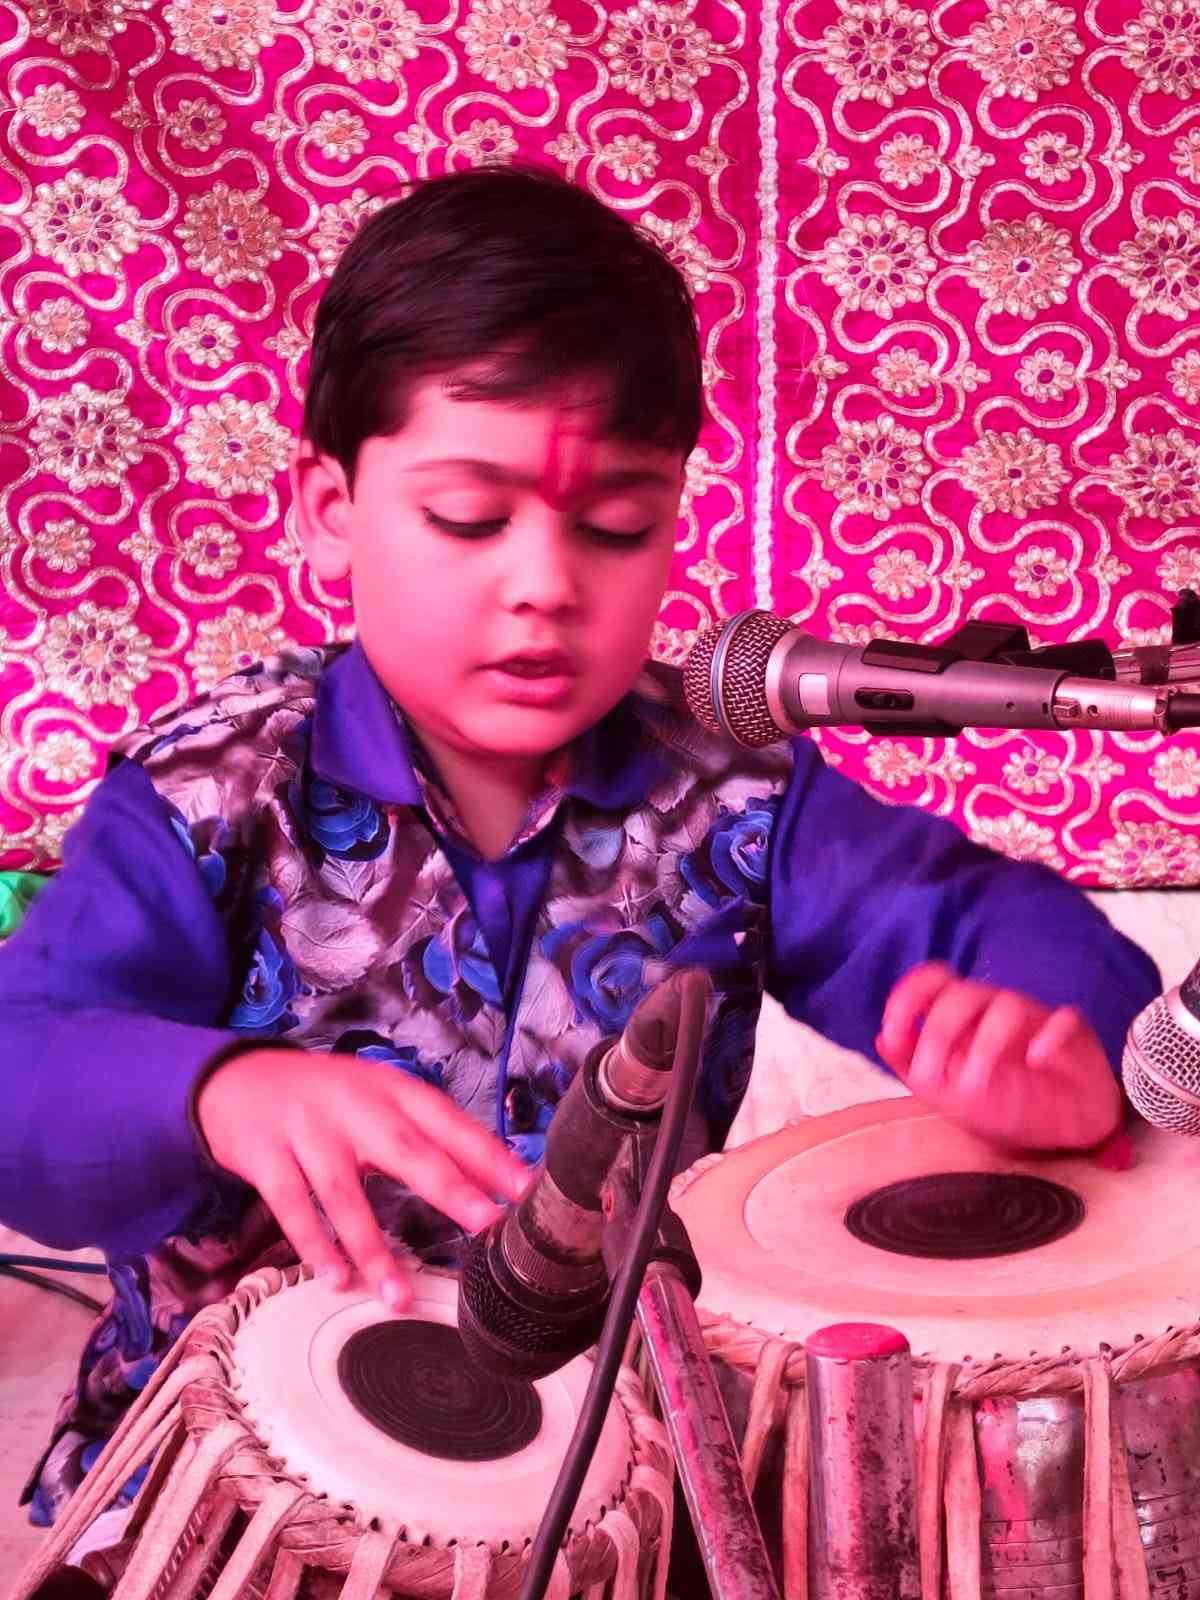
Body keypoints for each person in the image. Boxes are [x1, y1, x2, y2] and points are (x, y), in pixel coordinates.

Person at [0, 166, 1158, 1532]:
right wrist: (217, 1091)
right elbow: (23, 1073)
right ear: (328, 509)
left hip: (632, 1472)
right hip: (239, 1479)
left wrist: (1056, 1050)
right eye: (469, 518)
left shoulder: (734, 786)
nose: (546, 584)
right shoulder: (210, 794)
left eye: (618, 524)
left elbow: (992, 931)